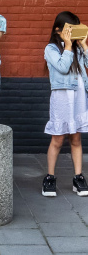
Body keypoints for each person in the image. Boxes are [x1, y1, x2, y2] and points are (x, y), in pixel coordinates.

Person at [43, 11, 88, 197]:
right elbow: (62, 67)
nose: (72, 34)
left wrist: (83, 46)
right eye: (69, 29)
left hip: (78, 98)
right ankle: (50, 178)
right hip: (62, 99)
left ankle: (78, 178)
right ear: (58, 30)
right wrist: (68, 46)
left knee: (76, 138)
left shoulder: (77, 49)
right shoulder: (51, 49)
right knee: (58, 139)